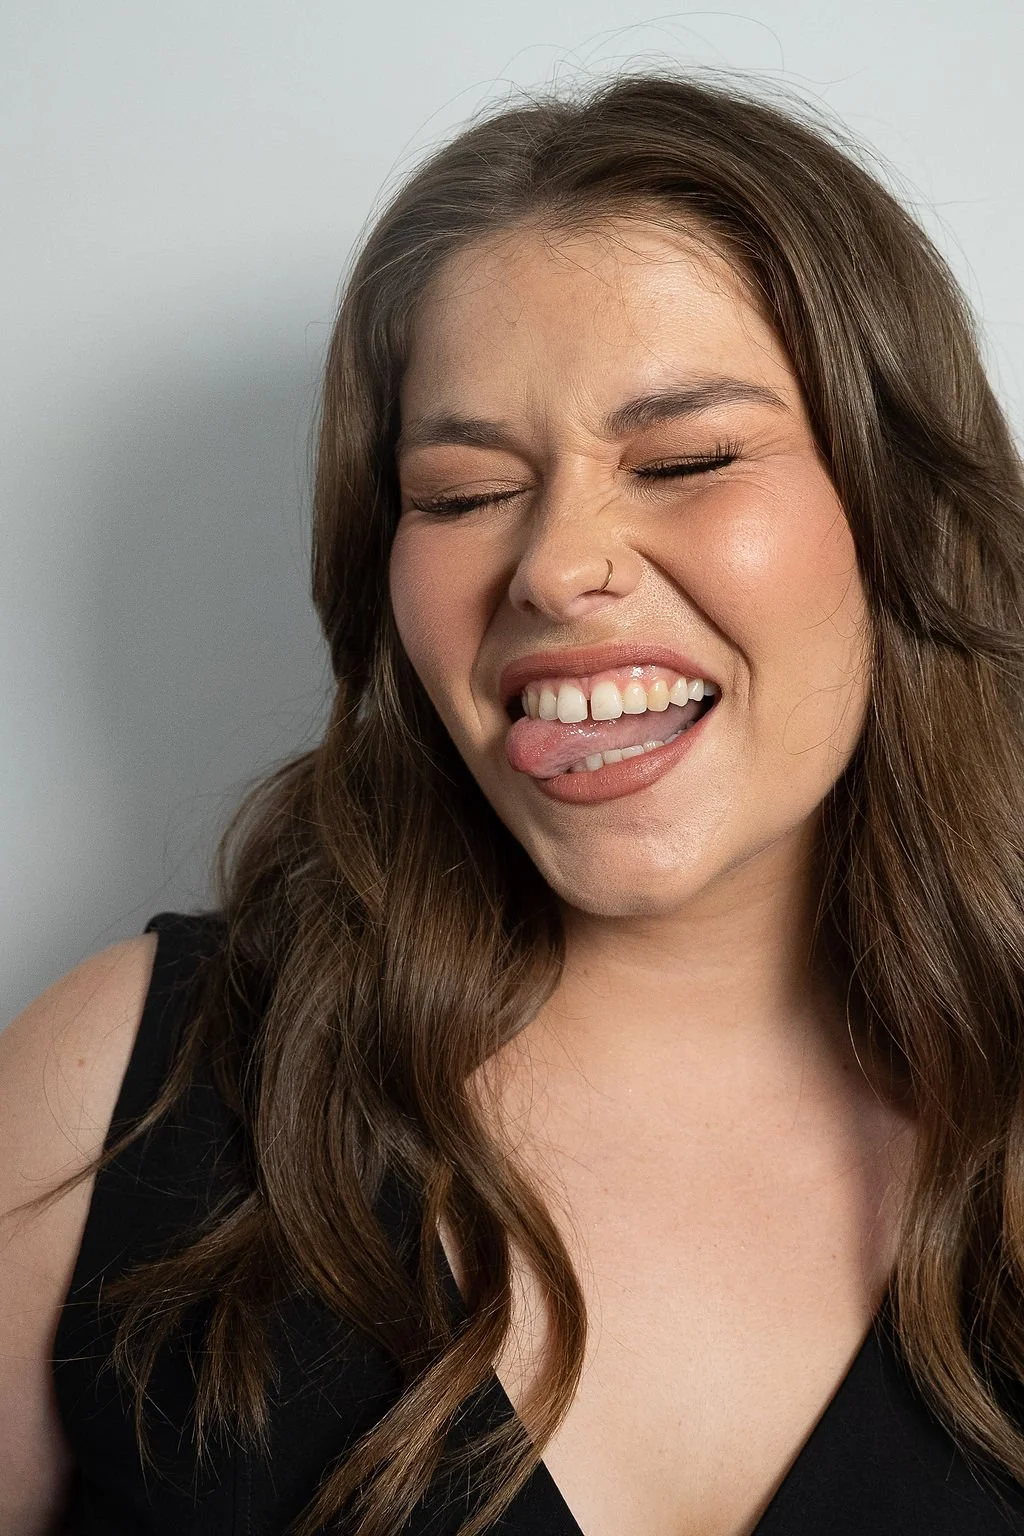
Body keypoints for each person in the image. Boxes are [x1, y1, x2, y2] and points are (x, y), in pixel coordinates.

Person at [4, 68, 1024, 1536]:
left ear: (901, 513)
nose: (555, 565)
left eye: (682, 459)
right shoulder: (106, 1103)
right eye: (466, 493)